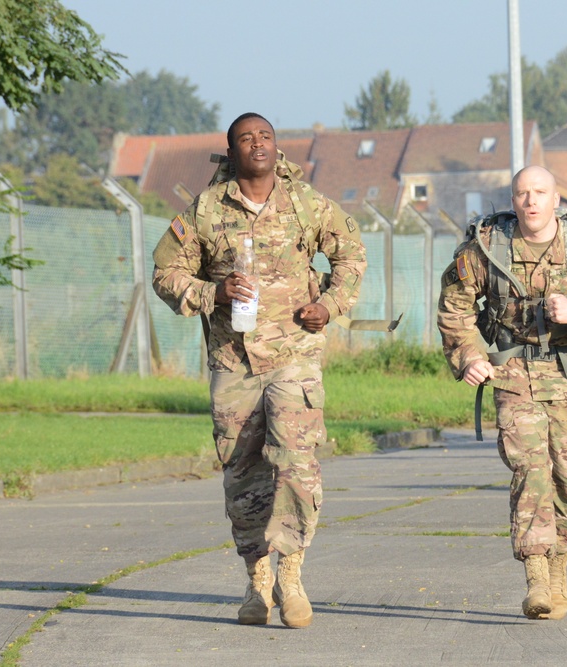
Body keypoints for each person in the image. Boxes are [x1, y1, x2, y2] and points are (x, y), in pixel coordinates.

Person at [151, 112, 366, 628]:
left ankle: (291, 575)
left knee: (297, 463)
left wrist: (331, 307)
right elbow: (165, 272)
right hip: (234, 362)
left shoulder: (306, 204)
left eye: (265, 136)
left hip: (294, 356)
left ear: (276, 147)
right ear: (232, 152)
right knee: (242, 476)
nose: (258, 144)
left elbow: (351, 255)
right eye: (246, 139)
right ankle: (257, 582)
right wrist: (210, 292)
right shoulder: (203, 211)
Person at [437, 166, 567, 621]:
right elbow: (454, 308)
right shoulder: (486, 247)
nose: (531, 200)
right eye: (523, 192)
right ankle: (536, 578)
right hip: (513, 374)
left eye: (540, 192)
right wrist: (469, 356)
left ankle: (560, 565)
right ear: (513, 198)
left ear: (556, 199)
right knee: (530, 471)